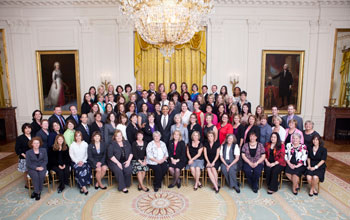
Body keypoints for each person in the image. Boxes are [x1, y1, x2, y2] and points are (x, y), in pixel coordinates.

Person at [69, 131, 92, 195]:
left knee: (85, 168)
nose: (78, 137)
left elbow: (87, 154)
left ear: (81, 136)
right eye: (77, 136)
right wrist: (77, 162)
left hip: (84, 161)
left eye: (79, 135)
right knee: (79, 169)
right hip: (75, 162)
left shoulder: (85, 144)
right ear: (75, 137)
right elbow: (71, 155)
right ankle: (84, 187)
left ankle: (82, 187)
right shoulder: (72, 145)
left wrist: (83, 161)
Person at [15, 123, 32, 188]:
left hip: (33, 156)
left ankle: (33, 182)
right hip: (25, 157)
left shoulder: (33, 135)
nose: (28, 130)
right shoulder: (20, 138)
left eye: (29, 128)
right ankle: (27, 184)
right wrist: (23, 154)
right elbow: (17, 149)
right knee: (26, 171)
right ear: (23, 129)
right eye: (26, 128)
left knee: (33, 170)